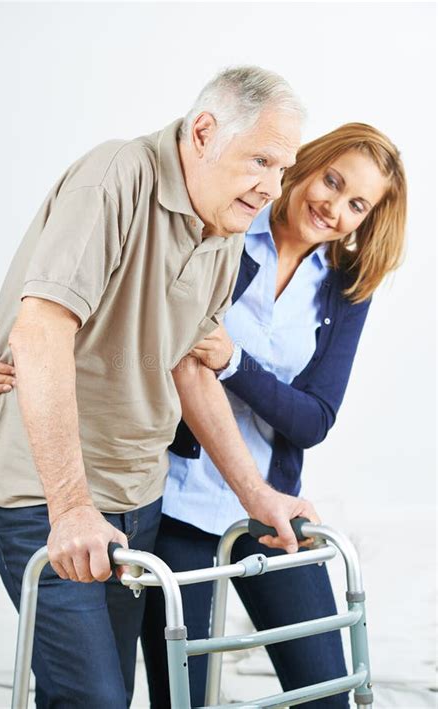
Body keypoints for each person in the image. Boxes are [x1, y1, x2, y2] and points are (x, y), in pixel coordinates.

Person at [0, 66, 322, 707]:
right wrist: (71, 506)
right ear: (205, 131)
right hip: (42, 486)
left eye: (282, 168)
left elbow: (190, 366)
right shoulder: (116, 179)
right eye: (261, 160)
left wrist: (258, 496)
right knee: (93, 699)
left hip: (135, 488)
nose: (272, 187)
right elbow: (41, 328)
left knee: (102, 692)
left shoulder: (225, 229)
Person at [140, 123, 407, 707]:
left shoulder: (344, 290)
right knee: (183, 698)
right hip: (177, 501)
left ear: (367, 219)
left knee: (326, 694)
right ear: (307, 165)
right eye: (331, 182)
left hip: (271, 509)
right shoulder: (226, 233)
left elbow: (313, 420)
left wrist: (235, 364)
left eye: (356, 203)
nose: (332, 206)